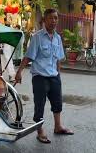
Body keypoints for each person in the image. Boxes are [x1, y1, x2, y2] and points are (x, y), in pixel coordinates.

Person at [15, 8, 74, 144]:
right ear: (44, 21)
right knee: (39, 105)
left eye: (55, 18)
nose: (54, 21)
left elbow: (58, 58)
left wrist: (58, 75)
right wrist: (19, 72)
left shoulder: (58, 38)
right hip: (40, 77)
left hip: (54, 76)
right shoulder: (37, 37)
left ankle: (58, 126)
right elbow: (28, 56)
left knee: (57, 102)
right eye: (51, 18)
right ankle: (39, 131)